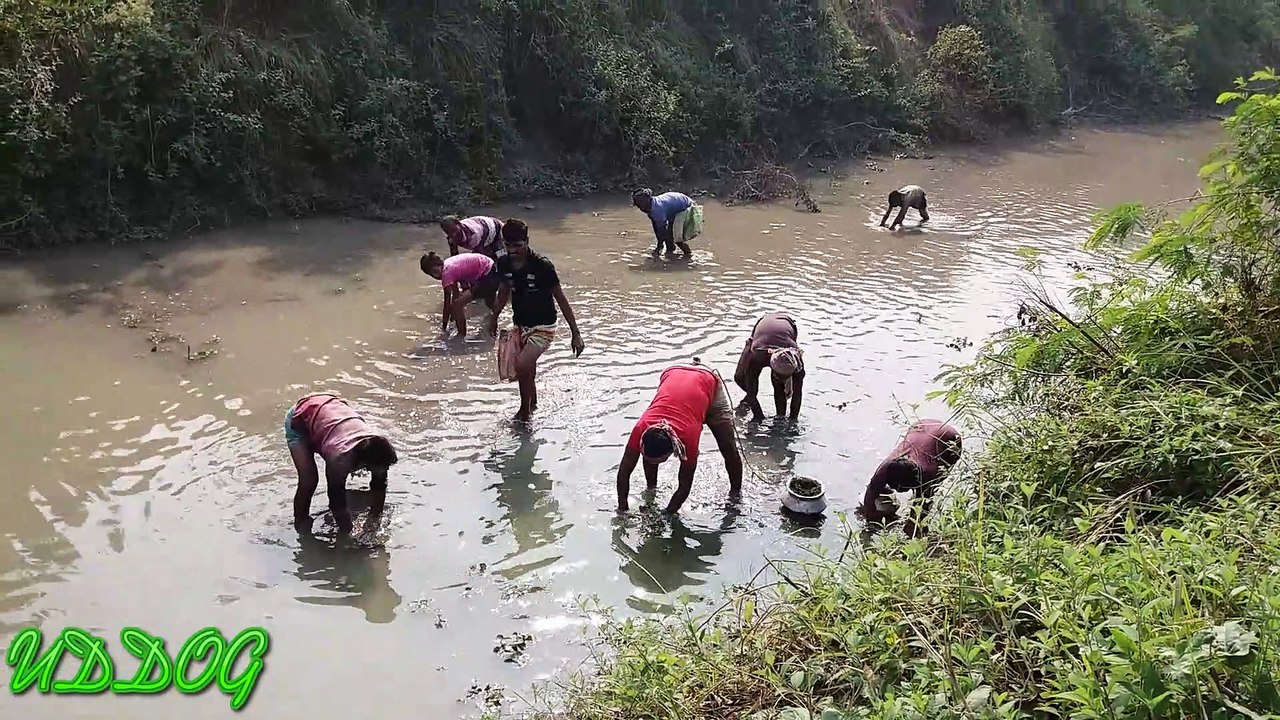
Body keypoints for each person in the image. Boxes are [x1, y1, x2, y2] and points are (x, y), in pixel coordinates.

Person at [486, 219, 586, 422]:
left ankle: (524, 414)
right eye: (508, 245)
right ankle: (533, 404)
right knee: (527, 370)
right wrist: (493, 317)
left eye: (517, 246)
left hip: (544, 326)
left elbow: (560, 298)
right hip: (521, 324)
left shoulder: (542, 266)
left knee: (522, 365)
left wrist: (576, 333)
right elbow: (503, 292)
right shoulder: (503, 263)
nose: (512, 250)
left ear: (527, 241)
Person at [616, 361, 744, 515]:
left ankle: (736, 496)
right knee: (649, 460)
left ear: (674, 450)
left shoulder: (688, 438)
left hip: (707, 381)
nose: (651, 463)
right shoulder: (641, 428)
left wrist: (667, 514)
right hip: (673, 374)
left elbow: (685, 485)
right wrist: (622, 510)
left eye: (658, 461)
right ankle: (651, 489)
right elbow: (624, 472)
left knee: (728, 447)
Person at [285, 393, 399, 534]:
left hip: (332, 408)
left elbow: (380, 485)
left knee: (377, 477)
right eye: (381, 468)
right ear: (364, 461)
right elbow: (336, 501)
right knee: (309, 480)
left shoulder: (377, 447)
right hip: (301, 417)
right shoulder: (339, 459)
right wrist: (348, 533)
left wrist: (374, 520)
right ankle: (301, 525)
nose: (383, 470)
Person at [858, 419, 962, 537]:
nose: (897, 491)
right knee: (878, 491)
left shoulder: (930, 473)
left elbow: (923, 504)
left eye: (901, 488)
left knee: (921, 505)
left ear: (914, 482)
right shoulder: (886, 467)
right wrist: (871, 517)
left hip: (950, 440)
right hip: (921, 426)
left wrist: (913, 525)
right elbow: (871, 491)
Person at [733, 313, 805, 422]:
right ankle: (749, 401)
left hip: (788, 326)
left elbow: (797, 393)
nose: (782, 378)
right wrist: (758, 416)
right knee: (740, 378)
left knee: (778, 385)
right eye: (780, 375)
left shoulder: (796, 362)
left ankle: (780, 414)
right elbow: (750, 386)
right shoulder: (756, 355)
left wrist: (793, 420)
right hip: (762, 330)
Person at [420, 251, 498, 339]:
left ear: (440, 265)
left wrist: (444, 327)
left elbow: (447, 303)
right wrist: (452, 318)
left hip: (487, 275)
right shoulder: (448, 265)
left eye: (435, 271)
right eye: (431, 274)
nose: (436, 276)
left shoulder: (446, 274)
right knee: (490, 304)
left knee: (457, 305)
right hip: (490, 267)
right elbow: (455, 294)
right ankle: (494, 327)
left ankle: (461, 336)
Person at [632, 188, 704, 258]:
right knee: (668, 237)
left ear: (647, 201)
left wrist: (659, 247)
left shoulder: (657, 209)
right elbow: (655, 225)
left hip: (686, 207)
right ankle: (671, 251)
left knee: (677, 239)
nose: (640, 208)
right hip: (675, 209)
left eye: (640, 204)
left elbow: (662, 229)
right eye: (638, 205)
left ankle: (688, 256)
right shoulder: (650, 206)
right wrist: (659, 245)